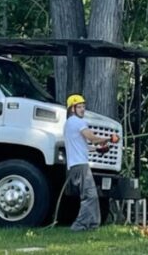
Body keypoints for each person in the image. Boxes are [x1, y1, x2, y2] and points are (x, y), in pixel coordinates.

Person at [64, 93, 109, 231]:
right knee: (90, 196)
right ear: (72, 109)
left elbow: (82, 145)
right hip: (80, 165)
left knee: (91, 196)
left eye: (83, 107)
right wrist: (109, 138)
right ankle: (79, 226)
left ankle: (93, 225)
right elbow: (91, 137)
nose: (83, 109)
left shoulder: (68, 124)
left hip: (75, 165)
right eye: (80, 107)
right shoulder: (78, 122)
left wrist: (97, 150)